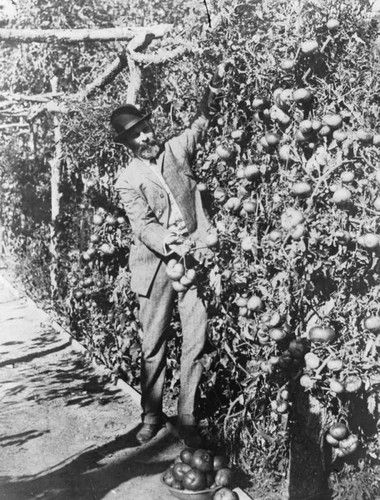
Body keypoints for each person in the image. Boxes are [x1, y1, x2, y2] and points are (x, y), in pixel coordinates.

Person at [110, 63, 230, 447]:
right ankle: (151, 415)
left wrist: (211, 88)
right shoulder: (127, 179)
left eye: (146, 128)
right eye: (136, 135)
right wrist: (169, 242)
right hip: (155, 265)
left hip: (192, 257)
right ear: (127, 144)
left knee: (195, 338)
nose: (146, 136)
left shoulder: (176, 150)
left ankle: (188, 416)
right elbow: (142, 226)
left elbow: (200, 123)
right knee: (154, 344)